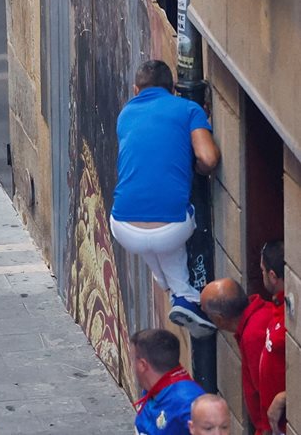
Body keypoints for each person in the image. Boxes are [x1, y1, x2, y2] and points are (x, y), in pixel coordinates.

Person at [110, 60, 221, 338]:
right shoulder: (187, 109)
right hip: (170, 230)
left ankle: (169, 286)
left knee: (152, 234)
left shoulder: (125, 115)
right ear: (173, 88)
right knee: (166, 232)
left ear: (136, 90)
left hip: (123, 227)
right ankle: (186, 297)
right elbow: (208, 158)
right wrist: (199, 168)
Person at [200, 278, 273, 433]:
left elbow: (266, 391)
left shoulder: (253, 335)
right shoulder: (260, 313)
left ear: (219, 318)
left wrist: (265, 429)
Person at [131, 328, 204, 435]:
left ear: (142, 365)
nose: (132, 366)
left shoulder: (189, 404)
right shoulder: (151, 390)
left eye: (133, 360)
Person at [259, 240, 286, 434]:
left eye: (262, 270)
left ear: (272, 275)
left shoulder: (292, 315)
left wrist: (285, 397)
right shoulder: (278, 304)